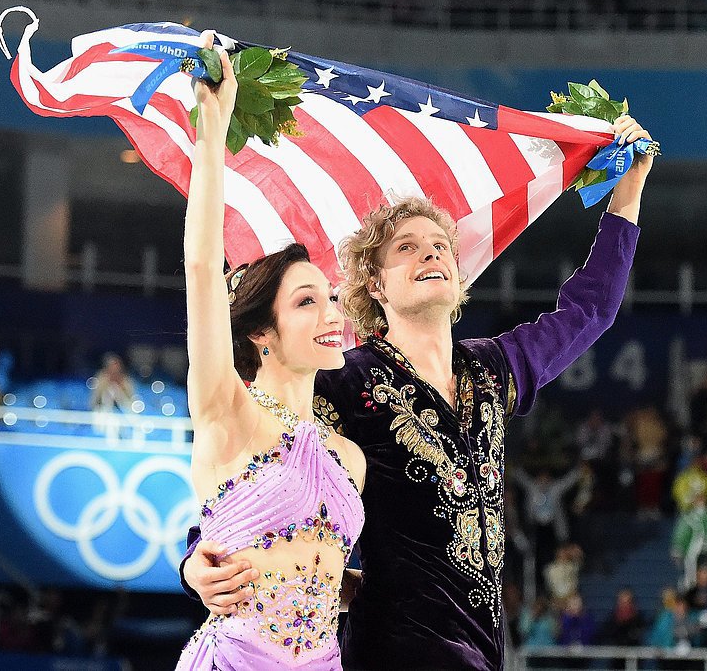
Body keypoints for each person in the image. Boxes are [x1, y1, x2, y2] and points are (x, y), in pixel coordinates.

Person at [181, 104, 653, 667]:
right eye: (406, 246)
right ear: (373, 284)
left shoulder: (495, 370)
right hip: (390, 653)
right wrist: (193, 559)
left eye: (440, 245)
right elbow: (252, 476)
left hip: (482, 653)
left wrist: (627, 196)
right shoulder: (343, 379)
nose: (431, 251)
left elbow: (590, 311)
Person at [174, 34, 365, 670]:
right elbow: (203, 269)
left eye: (333, 299)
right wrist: (213, 128)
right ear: (262, 332)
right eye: (307, 302)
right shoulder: (226, 410)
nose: (333, 314)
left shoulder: (349, 458)